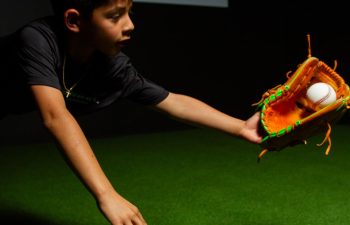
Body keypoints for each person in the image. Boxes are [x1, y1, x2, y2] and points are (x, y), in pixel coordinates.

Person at [0, 0, 262, 224]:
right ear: (73, 20)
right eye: (115, 16)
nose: (130, 25)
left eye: (129, 13)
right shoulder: (37, 40)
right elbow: (56, 117)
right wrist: (106, 194)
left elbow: (171, 102)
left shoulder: (111, 66)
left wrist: (241, 127)